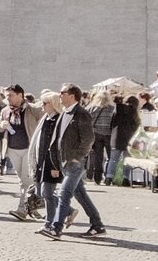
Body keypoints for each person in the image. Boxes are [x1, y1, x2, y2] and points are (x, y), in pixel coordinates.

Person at [38, 85, 107, 240]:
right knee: (81, 195)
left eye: (62, 93)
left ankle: (56, 228)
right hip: (64, 162)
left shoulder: (82, 114)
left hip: (75, 162)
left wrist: (77, 156)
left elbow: (89, 138)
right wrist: (57, 162)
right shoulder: (64, 113)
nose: (59, 95)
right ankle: (97, 225)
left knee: (64, 194)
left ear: (72, 95)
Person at [0, 85, 40, 217]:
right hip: (12, 149)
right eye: (6, 96)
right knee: (24, 180)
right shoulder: (5, 111)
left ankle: (22, 209)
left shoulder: (33, 109)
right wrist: (1, 125)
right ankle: (32, 207)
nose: (7, 98)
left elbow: (44, 123)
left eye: (10, 95)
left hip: (28, 148)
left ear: (20, 95)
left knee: (25, 180)